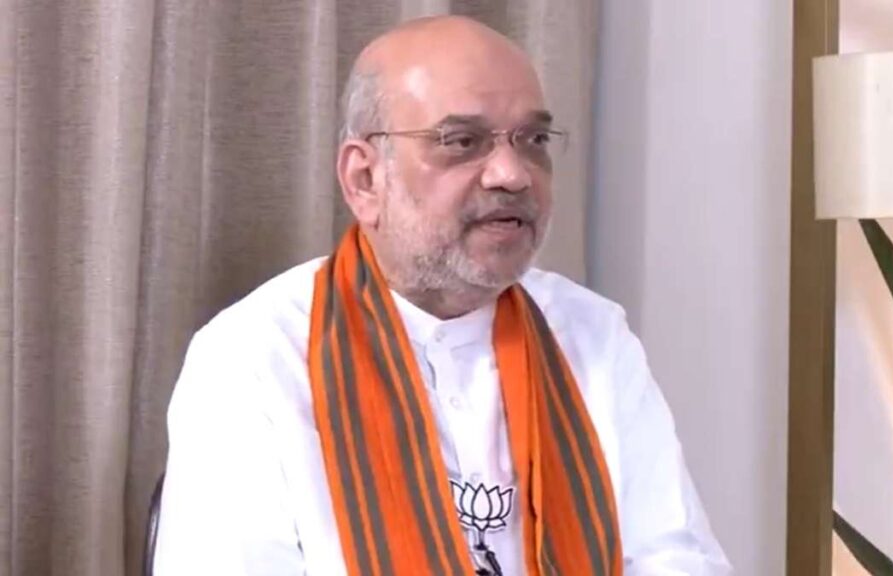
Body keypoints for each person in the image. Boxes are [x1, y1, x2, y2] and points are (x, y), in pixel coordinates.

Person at [154, 15, 730, 576]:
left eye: (533, 140)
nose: (512, 173)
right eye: (462, 141)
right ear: (364, 179)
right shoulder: (253, 358)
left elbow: (675, 557)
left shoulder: (592, 334)